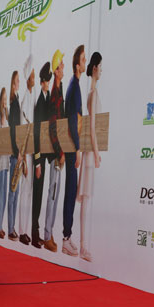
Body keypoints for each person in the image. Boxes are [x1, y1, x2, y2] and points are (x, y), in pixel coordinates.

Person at [77, 52, 103, 261]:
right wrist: (96, 153)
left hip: (88, 151)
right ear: (95, 68)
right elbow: (92, 127)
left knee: (86, 199)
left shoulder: (91, 93)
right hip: (88, 153)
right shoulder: (93, 94)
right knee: (85, 199)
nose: (101, 71)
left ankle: (84, 244)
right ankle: (83, 246)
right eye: (100, 67)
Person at [62, 44, 86, 256]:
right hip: (72, 147)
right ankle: (66, 238)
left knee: (71, 191)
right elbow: (72, 121)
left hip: (71, 146)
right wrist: (77, 148)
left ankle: (66, 236)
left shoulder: (73, 85)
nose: (85, 63)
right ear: (78, 65)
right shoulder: (74, 87)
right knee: (70, 192)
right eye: (84, 60)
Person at [43, 50, 65, 252]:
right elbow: (52, 128)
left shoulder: (59, 91)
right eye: (61, 65)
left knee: (55, 193)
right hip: (54, 155)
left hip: (58, 153)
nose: (64, 68)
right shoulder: (54, 96)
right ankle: (46, 235)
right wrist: (59, 152)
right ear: (56, 71)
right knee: (52, 192)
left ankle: (49, 234)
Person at [31, 61, 52, 248]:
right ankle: (34, 233)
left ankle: (36, 232)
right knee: (37, 195)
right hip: (39, 156)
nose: (48, 84)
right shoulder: (39, 103)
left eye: (49, 81)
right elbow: (37, 134)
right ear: (41, 82)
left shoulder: (48, 98)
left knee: (41, 193)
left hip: (46, 154)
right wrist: (37, 162)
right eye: (46, 81)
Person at [18, 55, 35, 245]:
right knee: (24, 191)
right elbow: (23, 130)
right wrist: (22, 159)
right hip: (25, 153)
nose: (34, 78)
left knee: (28, 191)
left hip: (31, 152)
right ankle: (22, 230)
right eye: (32, 75)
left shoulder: (32, 96)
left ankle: (25, 230)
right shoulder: (25, 99)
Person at [7, 70, 21, 241]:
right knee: (12, 192)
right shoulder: (14, 104)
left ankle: (12, 227)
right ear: (13, 83)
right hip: (14, 155)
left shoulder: (16, 101)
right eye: (17, 80)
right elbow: (13, 131)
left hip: (18, 154)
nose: (19, 82)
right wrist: (17, 152)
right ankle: (10, 228)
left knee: (15, 193)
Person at [0, 87, 9, 238]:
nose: (5, 102)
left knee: (4, 194)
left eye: (6, 99)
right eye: (3, 99)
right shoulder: (0, 117)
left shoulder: (7, 114)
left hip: (7, 160)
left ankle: (0, 225)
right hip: (1, 161)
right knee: (1, 194)